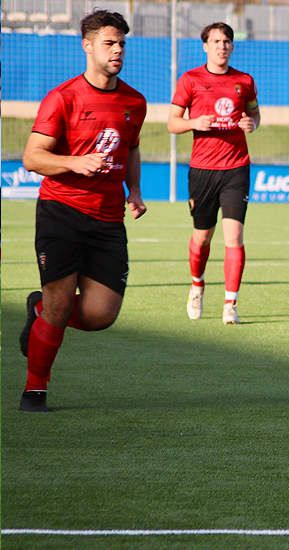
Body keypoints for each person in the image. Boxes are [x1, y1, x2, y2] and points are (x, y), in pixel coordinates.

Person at [18, 9, 147, 412]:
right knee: (61, 304)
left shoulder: (134, 101)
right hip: (62, 212)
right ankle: (35, 388)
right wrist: (75, 162)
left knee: (99, 314)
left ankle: (40, 309)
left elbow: (131, 147)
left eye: (122, 43)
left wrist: (136, 191)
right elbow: (33, 157)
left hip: (108, 219)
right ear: (87, 45)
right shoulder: (63, 97)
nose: (118, 50)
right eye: (109, 43)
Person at [168, 22, 260, 325]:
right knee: (203, 237)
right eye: (216, 41)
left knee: (234, 236)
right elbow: (172, 123)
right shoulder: (190, 80)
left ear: (232, 46)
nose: (222, 46)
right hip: (202, 170)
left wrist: (252, 124)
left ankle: (230, 304)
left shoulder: (244, 80)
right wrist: (195, 123)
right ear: (205, 46)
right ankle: (197, 285)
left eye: (227, 41)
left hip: (236, 168)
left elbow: (254, 114)